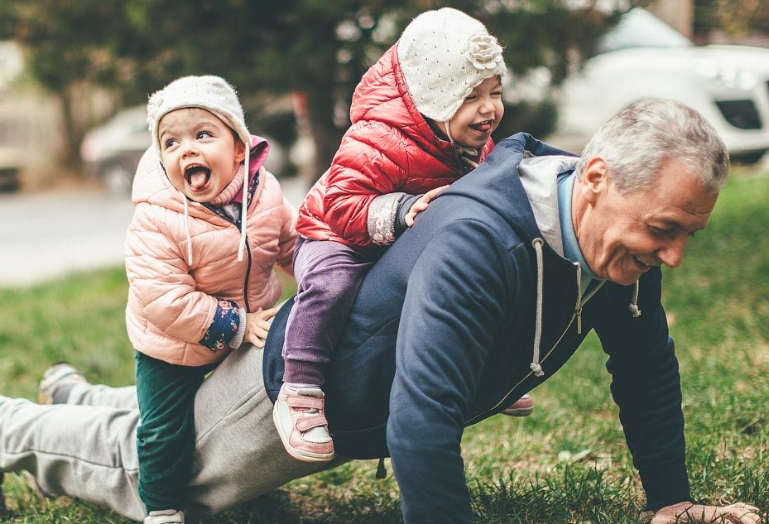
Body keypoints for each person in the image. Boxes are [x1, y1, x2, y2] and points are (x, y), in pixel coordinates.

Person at [0, 99, 763, 524]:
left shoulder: (614, 239)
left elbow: (644, 367)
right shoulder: (481, 239)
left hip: (339, 402)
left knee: (157, 424)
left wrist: (671, 500)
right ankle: (18, 425)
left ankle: (82, 393)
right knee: (139, 470)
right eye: (665, 232)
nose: (672, 257)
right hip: (283, 400)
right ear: (593, 178)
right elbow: (420, 417)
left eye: (686, 234)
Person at [275, 7, 530, 464]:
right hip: (336, 234)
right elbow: (340, 204)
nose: (489, 108)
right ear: (434, 96)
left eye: (495, 91)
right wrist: (401, 210)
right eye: (471, 96)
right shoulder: (374, 139)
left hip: (403, 236)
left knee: (466, 282)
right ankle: (300, 388)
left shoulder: (468, 141)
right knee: (331, 286)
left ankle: (483, 372)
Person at [120, 75, 297, 524]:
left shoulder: (266, 194)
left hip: (245, 321)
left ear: (239, 147)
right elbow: (164, 298)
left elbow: (290, 244)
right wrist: (237, 325)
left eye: (203, 135)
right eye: (171, 142)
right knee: (163, 428)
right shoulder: (156, 218)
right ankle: (161, 506)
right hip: (171, 343)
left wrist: (322, 272)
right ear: (161, 158)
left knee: (237, 410)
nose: (187, 150)